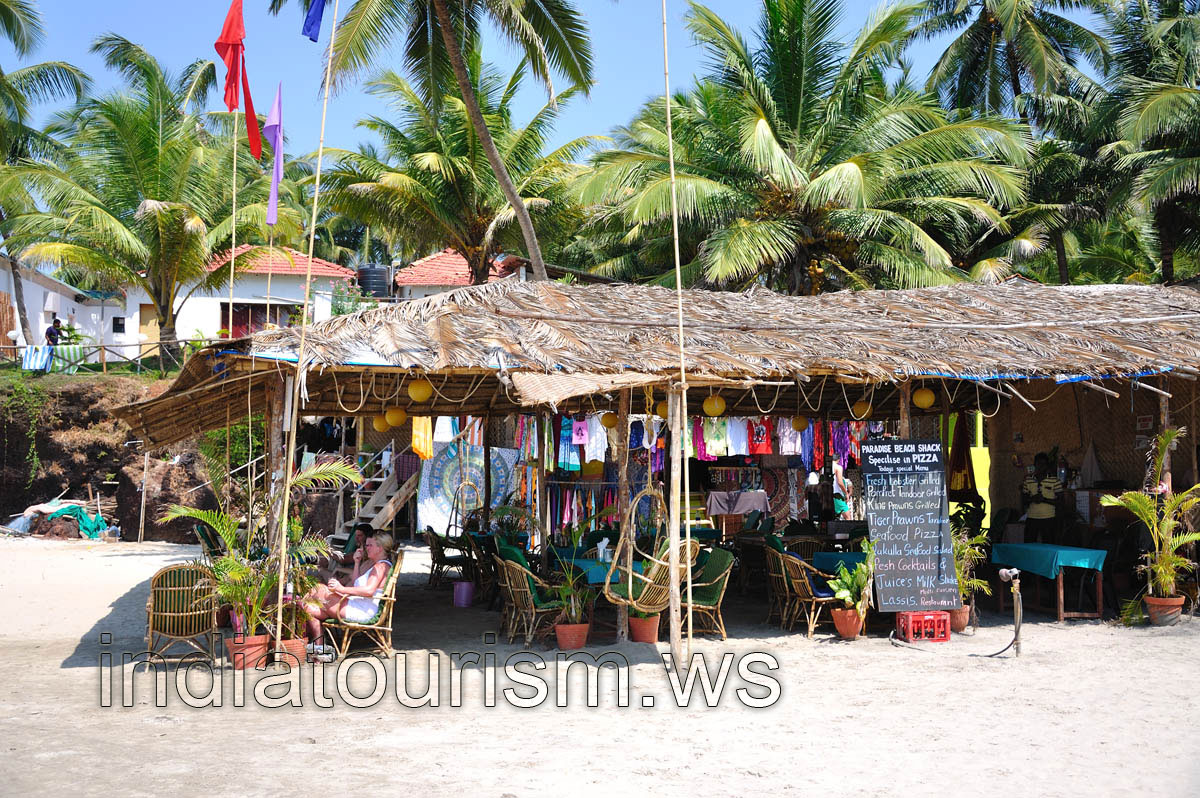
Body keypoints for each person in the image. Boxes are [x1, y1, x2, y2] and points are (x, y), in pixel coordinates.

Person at [304, 531, 393, 652]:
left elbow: (369, 590)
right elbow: (357, 582)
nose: (366, 548)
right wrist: (356, 562)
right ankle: (318, 647)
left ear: (379, 548)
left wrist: (341, 589)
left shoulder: (380, 567)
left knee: (318, 589)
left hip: (362, 611)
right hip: (358, 605)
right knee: (308, 608)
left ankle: (300, 640)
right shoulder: (377, 565)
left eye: (369, 545)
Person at [1022, 452, 1064, 543]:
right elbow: (1023, 500)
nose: (1041, 467)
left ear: (1047, 466)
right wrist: (1032, 499)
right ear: (1034, 465)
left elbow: (1060, 502)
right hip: (1031, 518)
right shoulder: (1028, 480)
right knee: (1029, 544)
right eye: (1038, 464)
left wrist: (1044, 500)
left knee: (1048, 544)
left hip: (1049, 518)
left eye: (1044, 464)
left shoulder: (1055, 481)